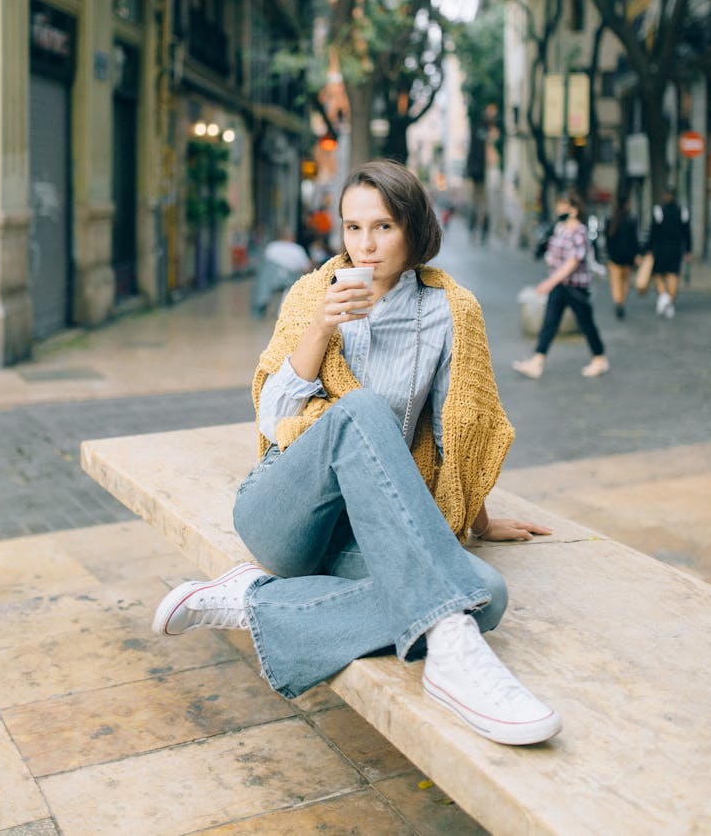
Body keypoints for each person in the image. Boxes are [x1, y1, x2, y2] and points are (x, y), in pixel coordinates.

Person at [153, 160, 562, 747]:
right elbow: (273, 420)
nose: (364, 246)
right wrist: (320, 330)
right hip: (286, 513)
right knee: (364, 411)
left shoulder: (451, 311)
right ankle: (451, 658)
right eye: (352, 228)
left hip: (367, 529)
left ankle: (257, 600)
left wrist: (479, 519)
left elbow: (459, 433)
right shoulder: (311, 295)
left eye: (383, 227)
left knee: (485, 594)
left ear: (414, 229)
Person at [513, 191, 609, 379]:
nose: (558, 210)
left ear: (573, 210)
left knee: (586, 323)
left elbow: (573, 262)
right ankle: (537, 361)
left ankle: (600, 359)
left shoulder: (579, 232)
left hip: (575, 287)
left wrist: (550, 282)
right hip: (560, 286)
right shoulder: (561, 229)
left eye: (562, 206)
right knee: (549, 323)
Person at [648, 189, 692, 319]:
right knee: (673, 274)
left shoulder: (658, 210)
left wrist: (649, 249)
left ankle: (663, 296)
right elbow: (687, 233)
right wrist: (688, 250)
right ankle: (670, 301)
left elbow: (653, 232)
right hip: (676, 249)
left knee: (657, 274)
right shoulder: (682, 211)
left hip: (661, 249)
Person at [250, 228, 313, 318]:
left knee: (262, 279)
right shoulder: (297, 249)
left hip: (270, 281)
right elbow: (307, 268)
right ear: (292, 237)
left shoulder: (271, 247)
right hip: (290, 281)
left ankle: (261, 306)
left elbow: (265, 264)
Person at [604, 196, 640, 318]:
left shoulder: (610, 221)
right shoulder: (631, 221)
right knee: (625, 282)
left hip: (614, 257)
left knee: (615, 282)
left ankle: (618, 302)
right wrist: (636, 254)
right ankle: (622, 302)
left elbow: (608, 241)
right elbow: (635, 240)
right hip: (628, 258)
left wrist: (608, 253)